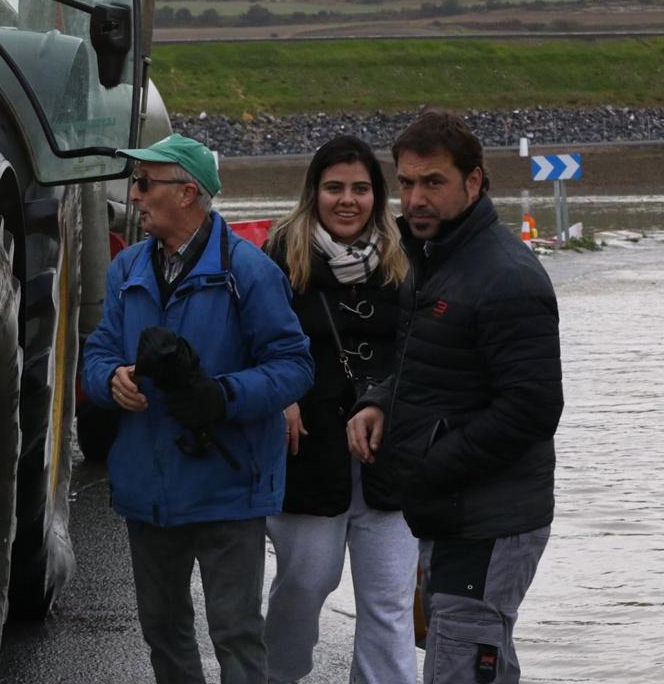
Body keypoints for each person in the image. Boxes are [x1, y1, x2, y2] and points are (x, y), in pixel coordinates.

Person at [82, 133, 315, 684]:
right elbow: (97, 351)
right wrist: (111, 378)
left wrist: (222, 396)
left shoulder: (250, 272)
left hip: (227, 488)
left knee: (235, 633)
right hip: (148, 487)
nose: (133, 195)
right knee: (162, 631)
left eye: (143, 183)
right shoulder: (128, 268)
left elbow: (294, 366)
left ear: (187, 192)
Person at [347, 110, 563, 684]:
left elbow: (533, 409)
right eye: (409, 181)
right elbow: (428, 366)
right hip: (450, 511)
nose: (416, 198)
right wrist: (380, 401)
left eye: (434, 182)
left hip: (489, 520)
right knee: (475, 662)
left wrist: (428, 463)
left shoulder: (505, 276)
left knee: (459, 668)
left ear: (474, 182)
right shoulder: (434, 260)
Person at [261, 135, 416, 683]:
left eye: (360, 188)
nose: (347, 200)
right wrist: (277, 396)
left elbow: (425, 349)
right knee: (305, 585)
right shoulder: (280, 253)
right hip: (308, 454)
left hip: (388, 457)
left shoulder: (408, 253)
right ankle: (280, 674)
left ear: (377, 194)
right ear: (314, 192)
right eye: (334, 188)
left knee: (389, 603)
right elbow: (252, 340)